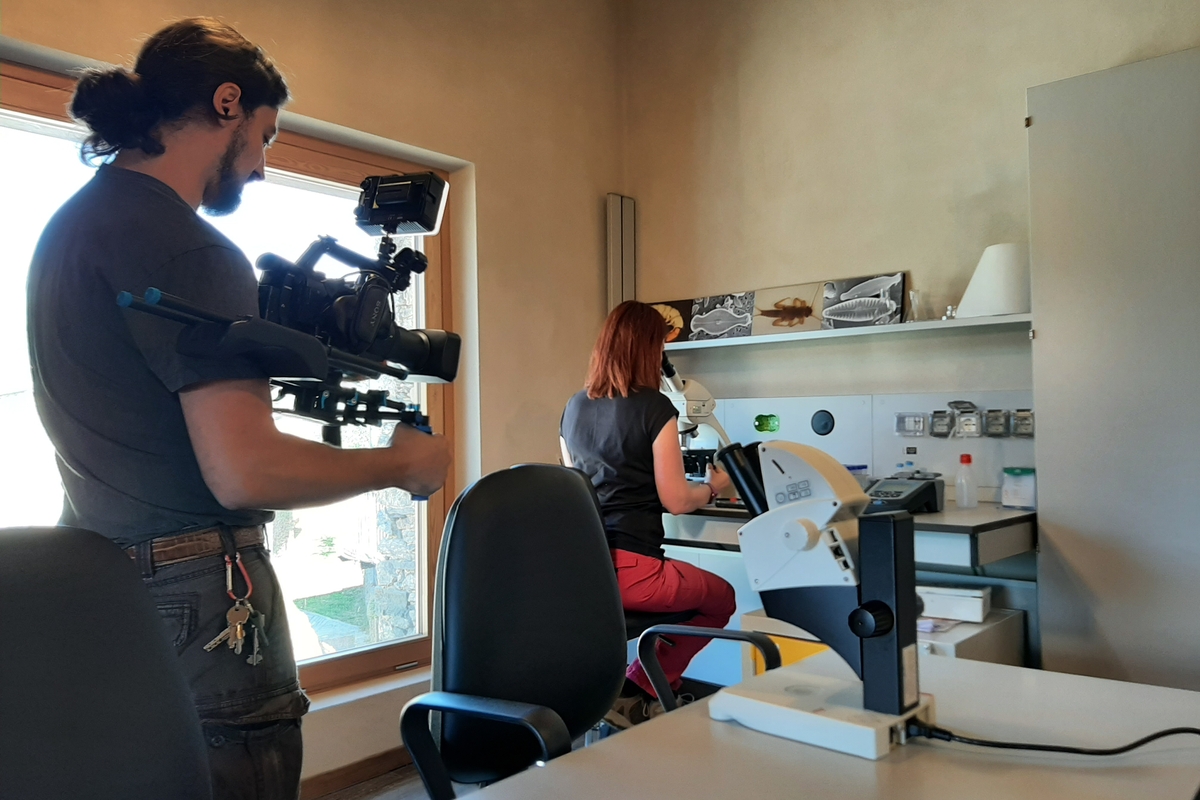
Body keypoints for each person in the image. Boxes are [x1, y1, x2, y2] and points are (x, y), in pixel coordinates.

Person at [26, 18, 450, 800]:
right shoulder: (188, 247)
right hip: (202, 602)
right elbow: (243, 469)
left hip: (97, 585)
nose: (259, 167)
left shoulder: (72, 229)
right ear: (228, 103)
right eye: (266, 136)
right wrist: (404, 463)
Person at [560, 301, 737, 723]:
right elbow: (676, 500)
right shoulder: (656, 408)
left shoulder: (573, 407)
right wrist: (714, 487)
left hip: (585, 574)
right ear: (650, 349)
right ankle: (638, 686)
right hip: (638, 574)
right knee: (721, 598)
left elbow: (573, 492)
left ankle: (645, 694)